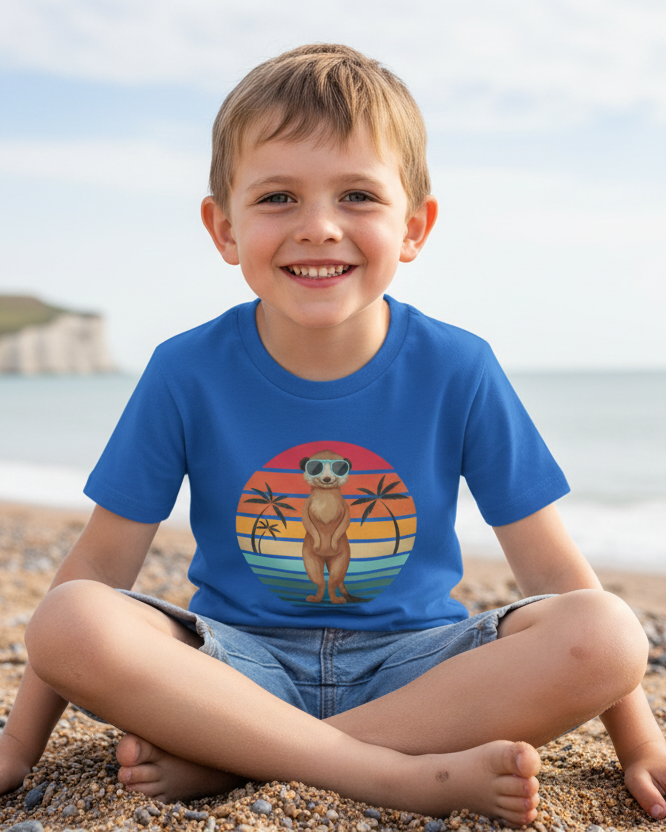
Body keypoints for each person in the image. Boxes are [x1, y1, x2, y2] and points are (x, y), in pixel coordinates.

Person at [1, 43, 664, 828]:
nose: (319, 228)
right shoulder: (186, 370)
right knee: (72, 617)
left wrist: (638, 742)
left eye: (356, 195)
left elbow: (553, 570)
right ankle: (389, 773)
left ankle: (239, 758)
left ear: (414, 226)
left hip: (420, 676)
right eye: (278, 197)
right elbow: (99, 567)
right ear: (223, 227)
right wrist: (18, 749)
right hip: (237, 666)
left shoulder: (459, 367)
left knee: (608, 633)